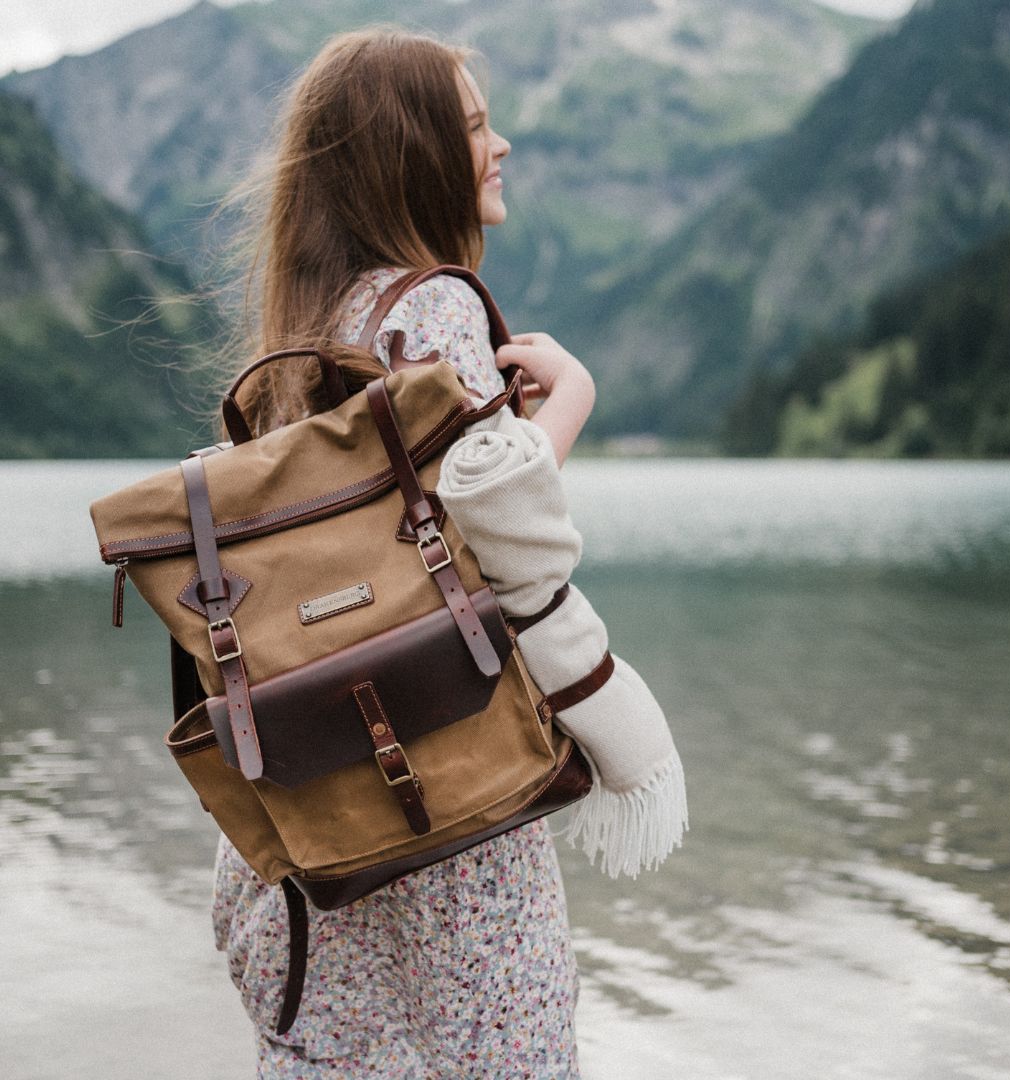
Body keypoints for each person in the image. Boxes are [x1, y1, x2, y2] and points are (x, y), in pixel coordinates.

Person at [210, 27, 595, 1078]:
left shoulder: (307, 327)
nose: (501, 144)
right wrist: (568, 406)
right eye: (476, 126)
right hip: (445, 795)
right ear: (414, 153)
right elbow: (496, 547)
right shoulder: (430, 309)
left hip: (328, 800)